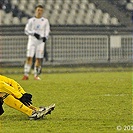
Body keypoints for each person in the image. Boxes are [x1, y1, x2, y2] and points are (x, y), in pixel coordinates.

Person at [22, 5, 50, 80]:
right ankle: (26, 74)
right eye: (38, 10)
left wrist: (45, 37)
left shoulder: (45, 21)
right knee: (29, 57)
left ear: (42, 11)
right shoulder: (31, 20)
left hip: (40, 42)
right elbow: (26, 30)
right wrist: (34, 33)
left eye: (41, 10)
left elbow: (47, 30)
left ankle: (36, 75)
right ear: (35, 11)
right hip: (32, 41)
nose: (39, 12)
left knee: (39, 58)